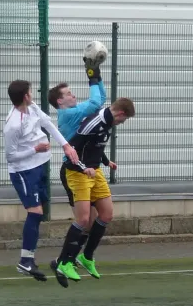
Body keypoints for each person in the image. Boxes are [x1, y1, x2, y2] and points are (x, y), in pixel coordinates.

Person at [51, 97, 135, 287]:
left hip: (94, 171)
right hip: (77, 172)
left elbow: (96, 144)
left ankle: (87, 257)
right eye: (124, 119)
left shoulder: (107, 122)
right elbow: (71, 149)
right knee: (83, 220)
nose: (123, 123)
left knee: (106, 214)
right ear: (120, 114)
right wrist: (83, 168)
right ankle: (64, 263)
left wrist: (106, 162)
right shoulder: (94, 122)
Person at [48, 59, 117, 286]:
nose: (73, 95)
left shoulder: (75, 112)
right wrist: (92, 76)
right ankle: (64, 261)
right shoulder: (68, 114)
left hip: (88, 168)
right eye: (68, 94)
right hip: (74, 169)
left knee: (96, 218)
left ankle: (69, 259)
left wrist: (96, 75)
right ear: (60, 101)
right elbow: (97, 101)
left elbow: (100, 100)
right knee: (85, 219)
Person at [3, 80, 78, 282]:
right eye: (30, 92)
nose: (33, 94)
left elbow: (48, 124)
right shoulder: (13, 124)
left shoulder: (32, 108)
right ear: (25, 96)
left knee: (39, 213)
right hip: (23, 171)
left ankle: (28, 259)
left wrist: (66, 146)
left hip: (40, 166)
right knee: (34, 212)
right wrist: (35, 149)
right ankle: (25, 261)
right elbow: (10, 157)